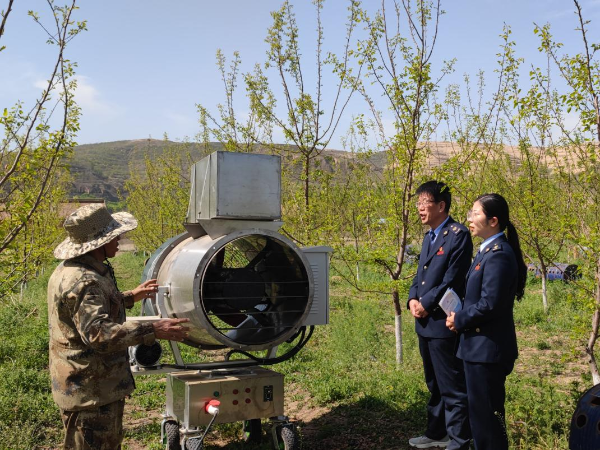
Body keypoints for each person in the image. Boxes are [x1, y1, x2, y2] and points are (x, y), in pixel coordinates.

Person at [48, 203, 190, 450]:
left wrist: (129, 297)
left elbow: (83, 311)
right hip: (92, 392)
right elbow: (98, 334)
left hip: (88, 386)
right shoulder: (86, 282)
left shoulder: (74, 270)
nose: (119, 240)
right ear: (99, 243)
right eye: (114, 236)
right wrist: (153, 330)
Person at [446, 193, 527, 450]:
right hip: (477, 348)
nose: (470, 219)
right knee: (480, 420)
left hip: (487, 350)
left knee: (487, 423)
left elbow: (491, 303)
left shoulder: (499, 254)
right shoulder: (486, 251)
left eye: (476, 213)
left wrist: (460, 318)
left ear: (493, 221)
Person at [408, 181, 473, 450]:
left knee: (451, 385)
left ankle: (459, 440)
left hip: (443, 321)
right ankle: (437, 433)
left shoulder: (458, 235)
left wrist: (426, 303)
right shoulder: (429, 237)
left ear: (441, 205)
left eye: (425, 203)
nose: (420, 208)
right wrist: (412, 298)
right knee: (433, 382)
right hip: (424, 322)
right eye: (418, 203)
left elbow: (452, 279)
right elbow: (420, 275)